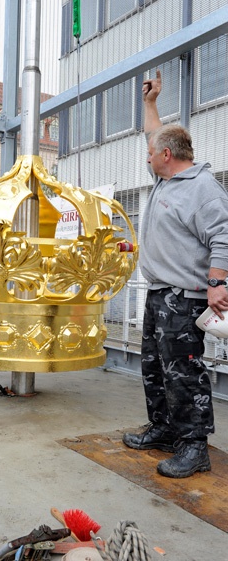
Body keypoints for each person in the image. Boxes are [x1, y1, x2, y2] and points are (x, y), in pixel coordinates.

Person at [122, 70, 228, 478]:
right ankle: (164, 429)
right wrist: (150, 104)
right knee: (154, 366)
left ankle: (194, 446)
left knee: (183, 371)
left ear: (167, 155)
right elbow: (155, 135)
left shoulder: (201, 189)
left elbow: (224, 235)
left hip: (186, 297)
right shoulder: (167, 178)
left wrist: (217, 282)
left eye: (151, 152)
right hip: (160, 293)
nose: (147, 156)